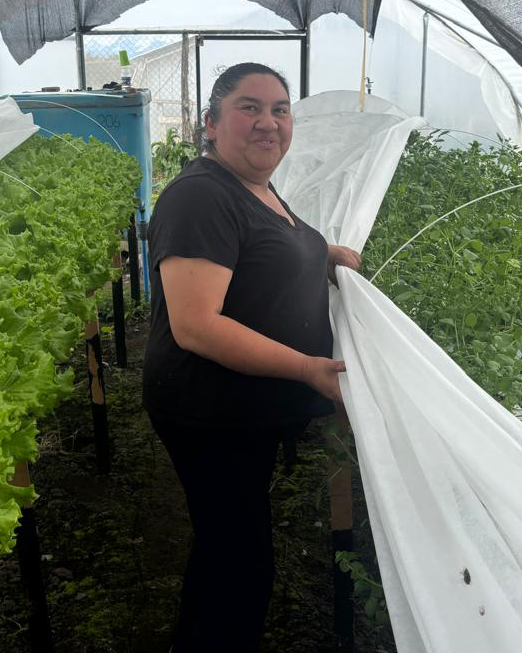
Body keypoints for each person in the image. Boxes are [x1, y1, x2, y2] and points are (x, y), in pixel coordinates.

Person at [142, 62, 362, 652]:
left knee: (226, 549)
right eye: (249, 108)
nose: (268, 122)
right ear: (211, 124)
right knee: (241, 566)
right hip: (209, 411)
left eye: (280, 110)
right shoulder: (199, 196)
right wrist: (308, 369)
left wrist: (323, 252)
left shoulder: (254, 185)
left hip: (242, 411)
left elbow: (265, 244)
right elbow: (197, 326)